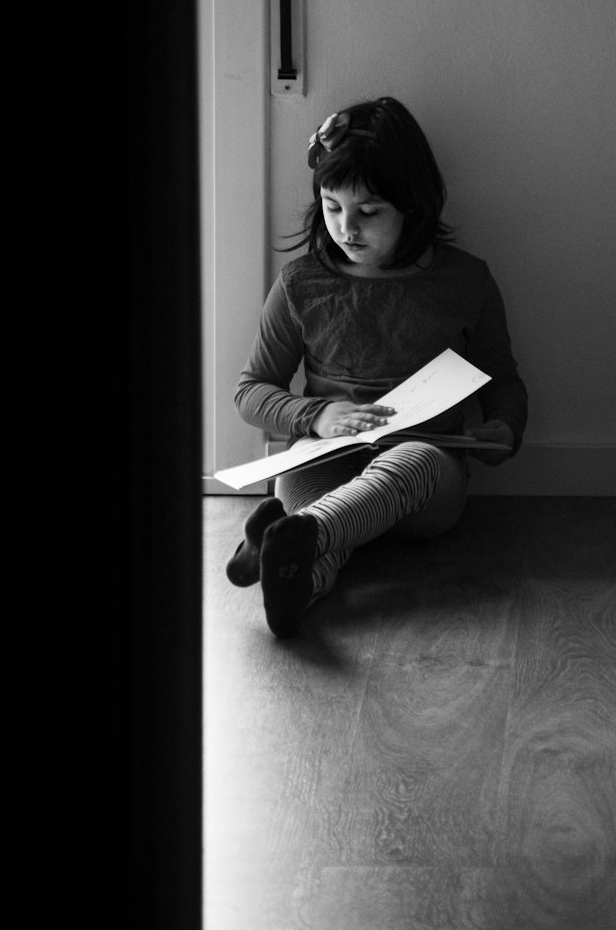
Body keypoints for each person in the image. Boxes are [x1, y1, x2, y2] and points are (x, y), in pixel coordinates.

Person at [225, 96, 528, 637]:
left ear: (413, 205)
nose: (346, 228)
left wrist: (504, 427)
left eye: (369, 212)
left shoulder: (464, 282)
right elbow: (252, 391)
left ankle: (304, 533)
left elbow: (502, 379)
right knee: (297, 471)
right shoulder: (302, 283)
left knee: (414, 459)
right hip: (329, 462)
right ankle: (299, 575)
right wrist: (315, 416)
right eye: (331, 207)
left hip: (425, 479)